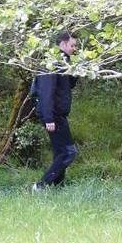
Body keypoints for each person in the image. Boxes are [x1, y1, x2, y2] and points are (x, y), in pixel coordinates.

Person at [32, 31, 80, 191]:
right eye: (72, 45)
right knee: (68, 152)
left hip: (58, 114)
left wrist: (76, 68)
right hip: (53, 115)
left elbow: (68, 85)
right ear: (63, 44)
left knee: (60, 152)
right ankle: (41, 186)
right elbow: (46, 92)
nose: (75, 48)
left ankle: (58, 187)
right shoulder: (51, 62)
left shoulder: (64, 61)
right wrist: (48, 118)